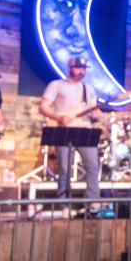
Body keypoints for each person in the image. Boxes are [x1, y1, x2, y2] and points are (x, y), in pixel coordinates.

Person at [38, 56, 101, 199]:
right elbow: (43, 107)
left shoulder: (88, 89)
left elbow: (93, 110)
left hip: (85, 130)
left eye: (83, 69)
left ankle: (92, 202)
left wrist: (97, 113)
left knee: (92, 166)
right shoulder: (56, 85)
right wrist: (59, 117)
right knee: (64, 168)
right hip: (64, 130)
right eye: (78, 68)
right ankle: (63, 202)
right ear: (69, 68)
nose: (81, 72)